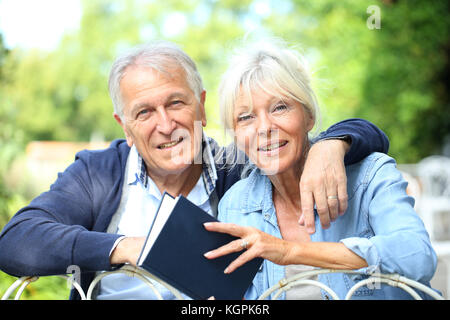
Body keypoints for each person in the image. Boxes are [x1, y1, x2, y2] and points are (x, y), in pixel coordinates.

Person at [0, 40, 390, 300]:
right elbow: (16, 242)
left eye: (176, 103)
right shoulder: (100, 173)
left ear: (201, 106)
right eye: (145, 112)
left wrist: (331, 144)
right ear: (125, 126)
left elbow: (366, 134)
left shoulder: (238, 171)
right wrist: (129, 247)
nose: (166, 124)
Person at [204, 39, 437, 300]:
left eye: (280, 107)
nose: (264, 127)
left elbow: (418, 257)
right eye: (245, 117)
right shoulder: (234, 205)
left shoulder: (369, 176)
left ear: (309, 115)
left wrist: (289, 252)